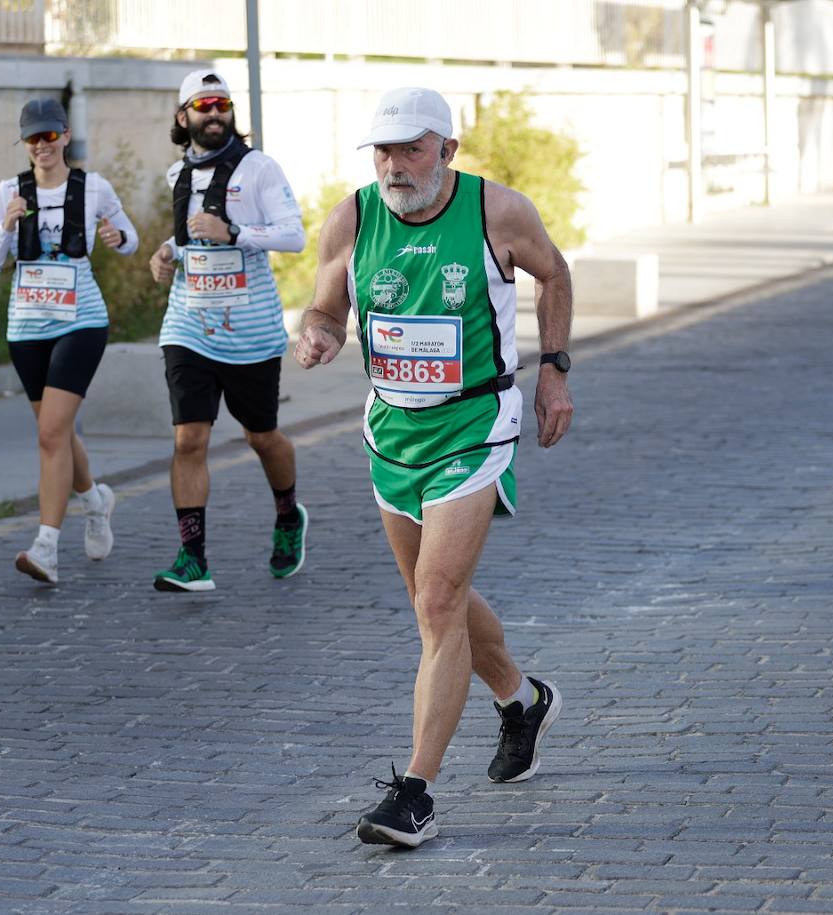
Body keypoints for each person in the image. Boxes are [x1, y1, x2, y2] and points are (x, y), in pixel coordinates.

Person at [295, 87, 574, 848]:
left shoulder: (497, 212)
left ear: (447, 150)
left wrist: (554, 370)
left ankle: (414, 791)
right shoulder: (353, 215)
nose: (394, 165)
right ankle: (522, 700)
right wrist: (316, 334)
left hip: (475, 424)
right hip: (391, 430)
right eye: (383, 150)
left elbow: (556, 274)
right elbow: (326, 306)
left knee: (437, 601)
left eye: (410, 148)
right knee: (430, 597)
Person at [147, 69, 308, 591]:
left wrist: (234, 231)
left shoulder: (259, 168)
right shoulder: (176, 175)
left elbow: (295, 235)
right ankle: (193, 559)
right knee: (189, 438)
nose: (214, 113)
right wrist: (167, 253)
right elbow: (190, 241)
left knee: (262, 437)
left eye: (222, 104)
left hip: (251, 331)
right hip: (188, 325)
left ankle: (288, 516)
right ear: (183, 117)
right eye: (203, 104)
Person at [0, 97, 138, 585]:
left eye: (50, 136)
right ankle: (94, 501)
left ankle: (46, 545)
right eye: (33, 138)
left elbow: (129, 238)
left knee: (49, 434)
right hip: (27, 327)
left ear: (66, 136)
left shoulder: (93, 189)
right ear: (23, 144)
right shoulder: (7, 192)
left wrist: (117, 238)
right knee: (59, 433)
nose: (42, 146)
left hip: (80, 322)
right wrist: (5, 226)